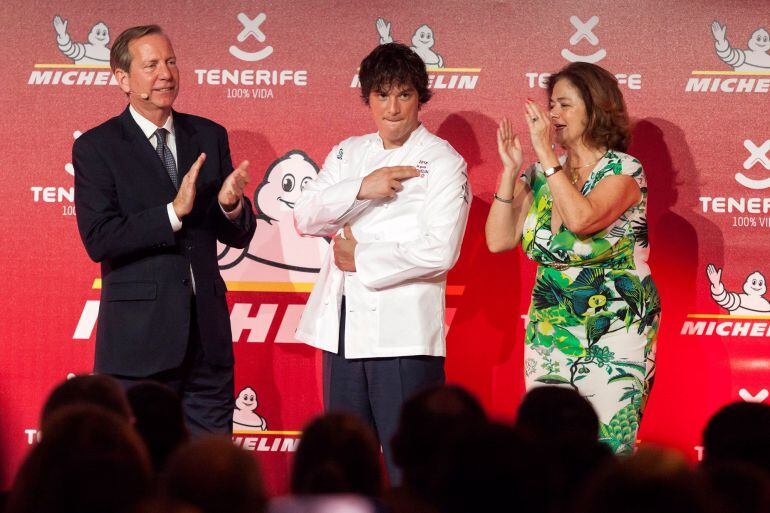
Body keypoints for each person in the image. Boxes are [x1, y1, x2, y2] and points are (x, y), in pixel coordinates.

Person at [294, 42, 471, 482]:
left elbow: (440, 250)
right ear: (367, 98)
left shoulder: (445, 162)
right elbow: (304, 215)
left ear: (421, 98)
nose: (392, 109)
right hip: (343, 334)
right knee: (342, 467)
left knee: (408, 469)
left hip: (403, 338)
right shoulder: (347, 153)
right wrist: (361, 188)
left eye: (404, 95)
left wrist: (362, 256)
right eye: (381, 95)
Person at [74, 25, 256, 435]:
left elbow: (237, 233)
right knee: (137, 475)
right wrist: (172, 213)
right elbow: (99, 236)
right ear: (122, 78)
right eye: (151, 64)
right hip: (138, 345)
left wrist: (231, 207)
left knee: (209, 474)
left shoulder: (208, 134)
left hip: (207, 341)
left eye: (171, 61)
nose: (166, 74)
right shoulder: (96, 147)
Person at [485, 62, 660, 455]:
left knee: (608, 445)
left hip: (616, 323)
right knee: (545, 446)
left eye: (564, 105)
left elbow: (582, 220)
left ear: (595, 108)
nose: (553, 116)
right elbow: (498, 240)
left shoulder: (625, 170)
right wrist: (511, 170)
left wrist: (546, 154)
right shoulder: (540, 173)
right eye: (551, 106)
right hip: (551, 328)